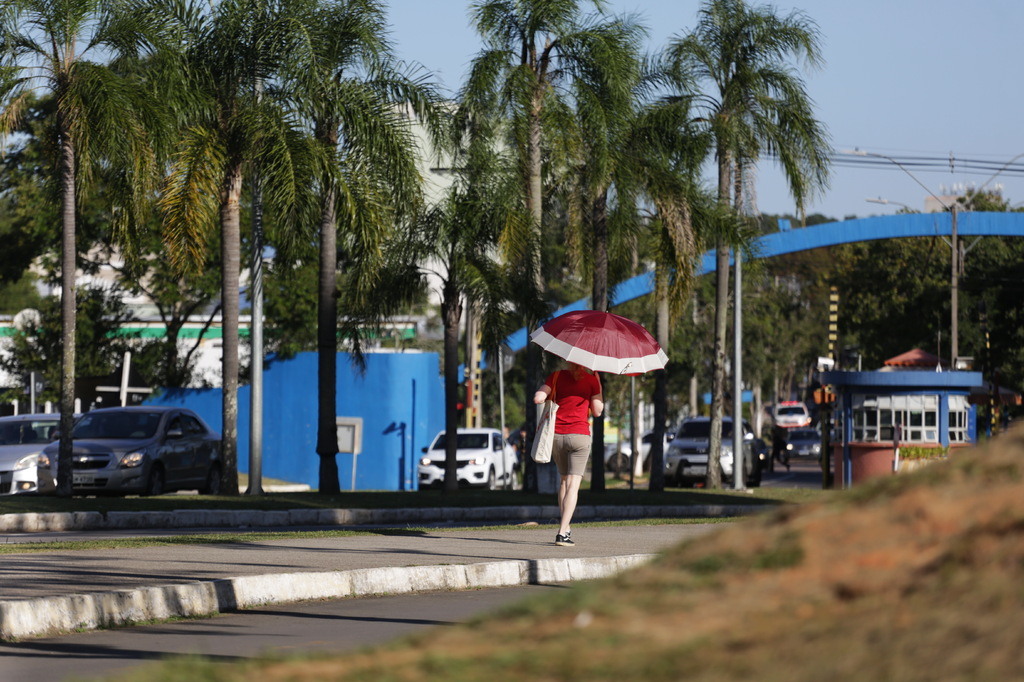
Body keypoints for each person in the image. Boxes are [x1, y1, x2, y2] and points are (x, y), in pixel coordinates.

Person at [533, 362, 603, 547]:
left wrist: (543, 395)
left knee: (563, 481)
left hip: (556, 437)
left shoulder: (556, 376)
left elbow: (538, 398)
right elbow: (597, 411)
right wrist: (599, 386)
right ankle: (562, 533)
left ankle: (566, 524)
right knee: (573, 485)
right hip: (579, 437)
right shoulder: (591, 380)